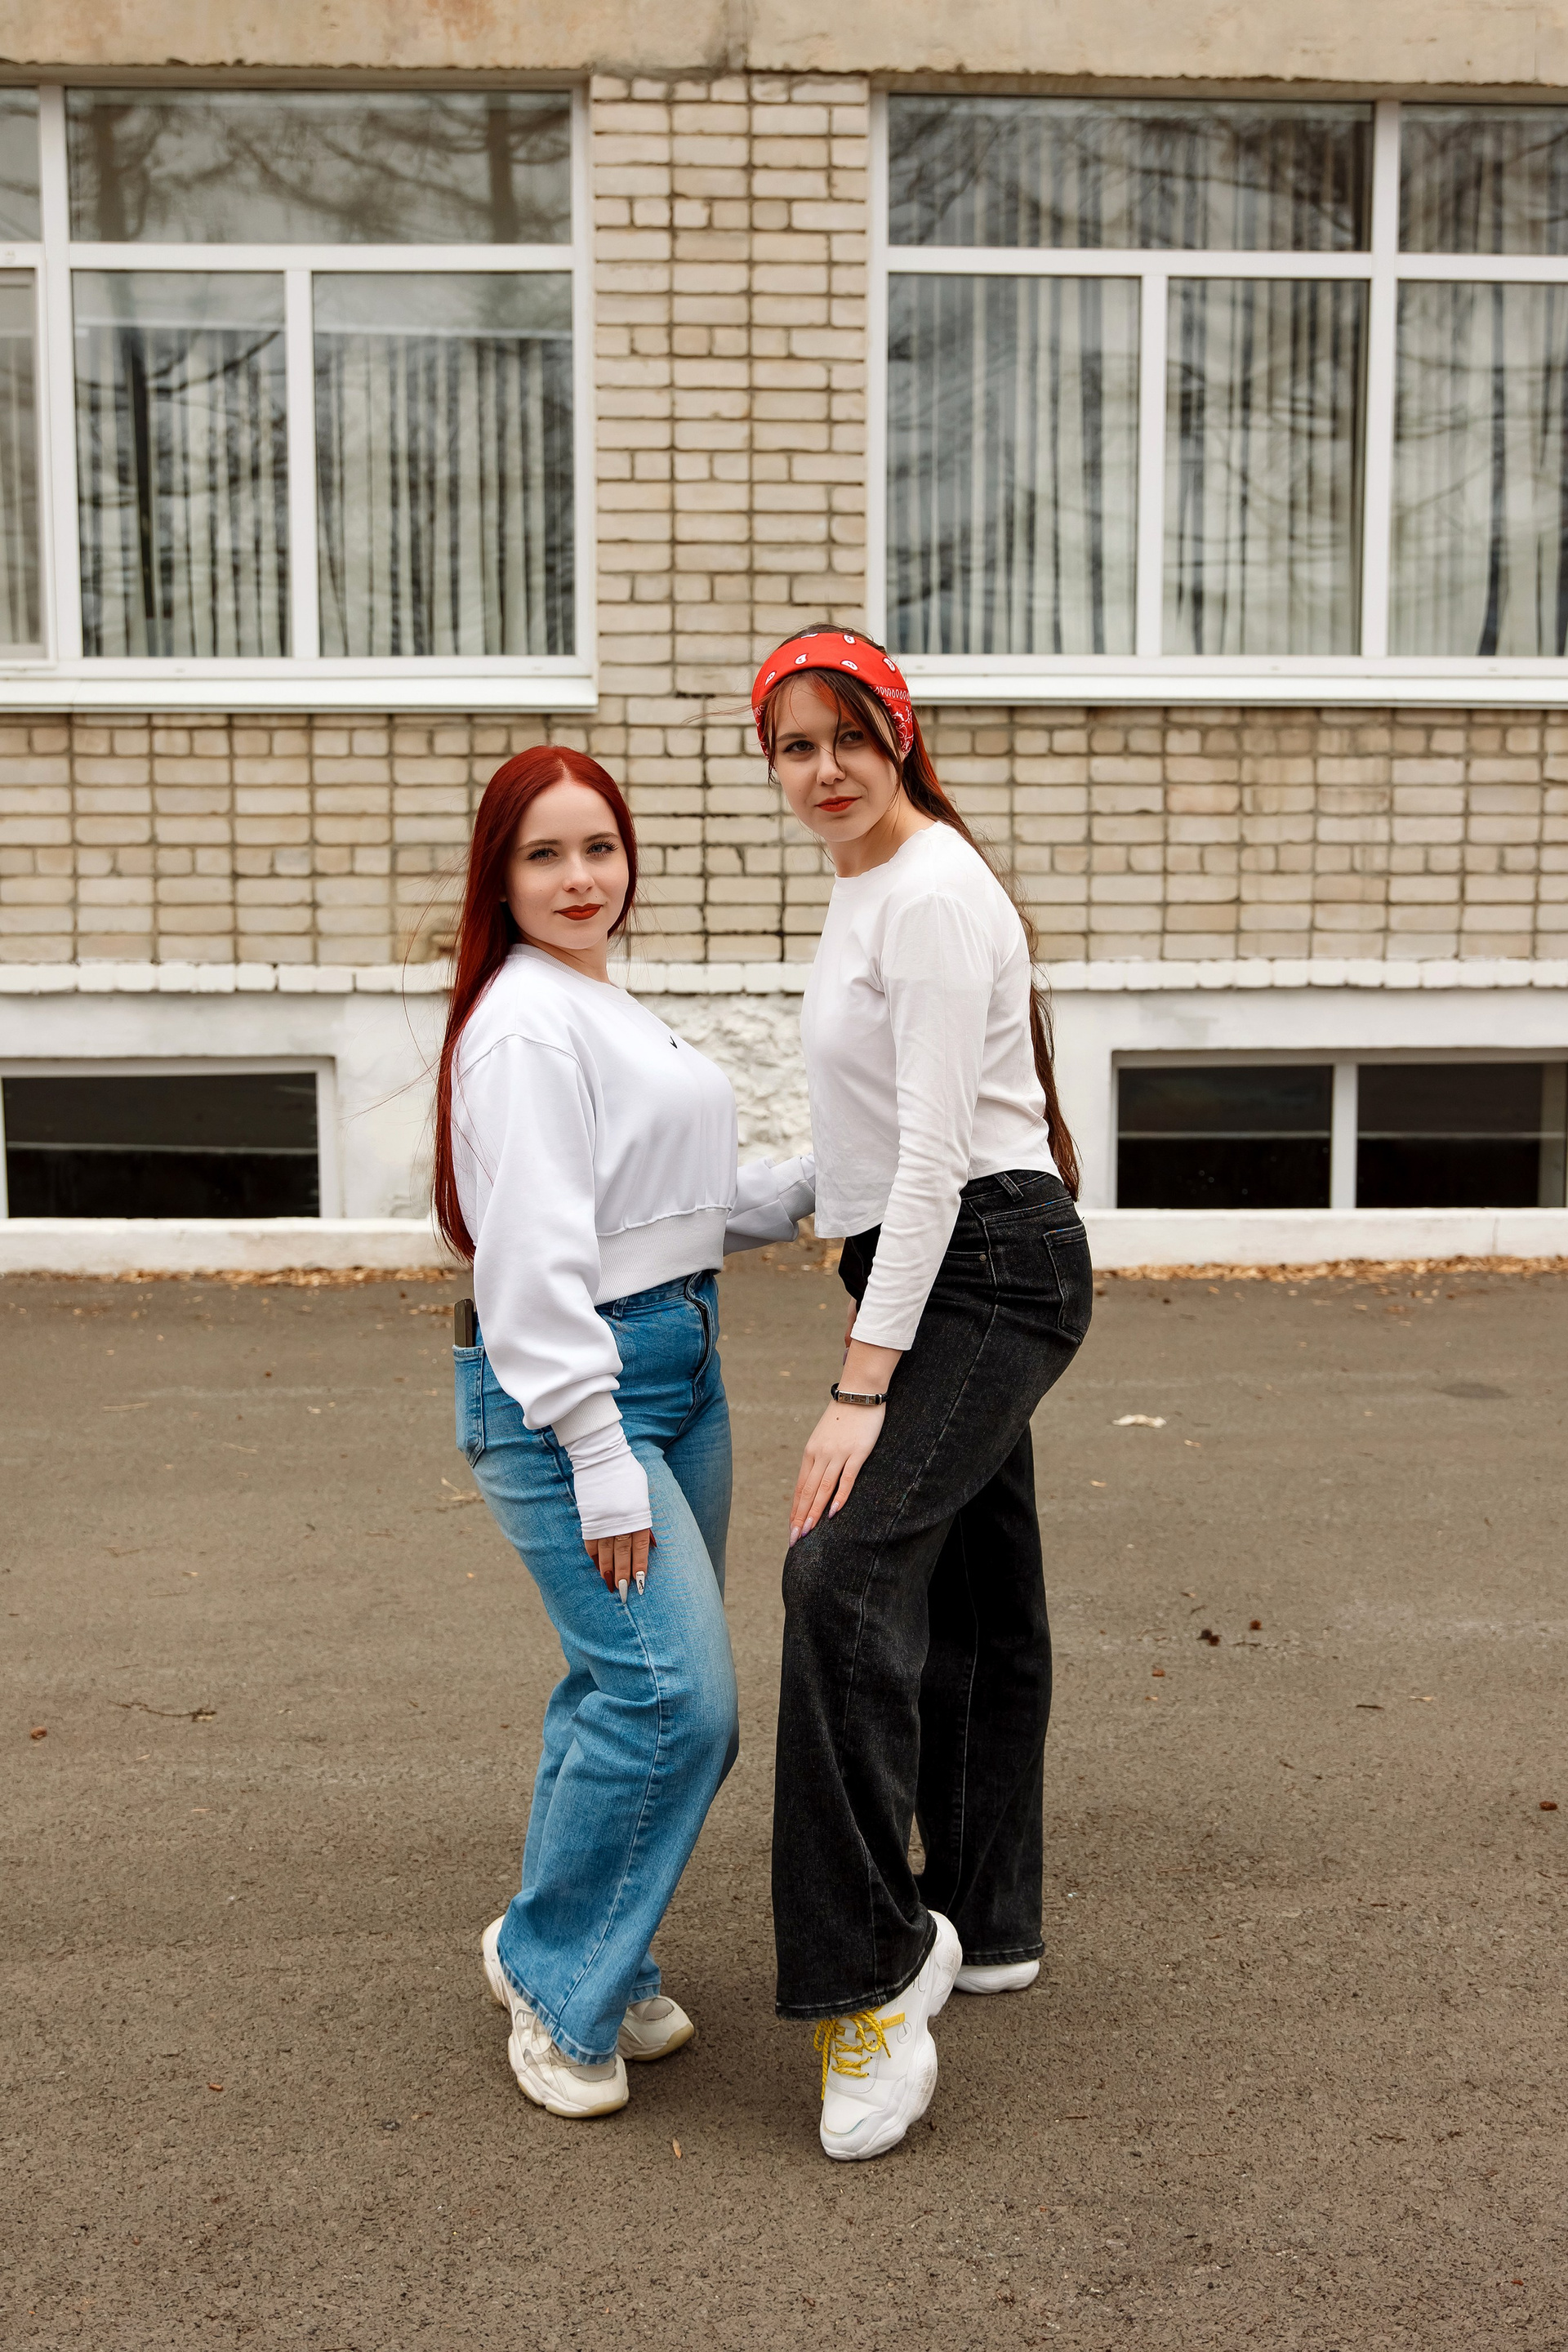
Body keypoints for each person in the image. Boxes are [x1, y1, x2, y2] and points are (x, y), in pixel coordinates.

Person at [431, 745, 813, 2120]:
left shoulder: (599, 1002)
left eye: (599, 847)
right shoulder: (526, 1025)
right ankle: (557, 1980)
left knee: (621, 1688)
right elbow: (533, 1260)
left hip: (677, 1361)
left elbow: (660, 1210)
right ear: (500, 877)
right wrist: (596, 1451)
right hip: (573, 1394)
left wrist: (811, 1184)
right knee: (674, 1701)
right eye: (544, 854)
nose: (580, 877)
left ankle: (582, 1943)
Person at [753, 630, 1092, 2162]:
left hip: (988, 1264)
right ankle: (986, 1915)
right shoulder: (867, 887)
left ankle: (873, 1977)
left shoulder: (934, 891)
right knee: (981, 1592)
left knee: (839, 1573)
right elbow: (869, 1139)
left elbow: (940, 1161)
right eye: (793, 745)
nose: (823, 770)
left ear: (899, 736)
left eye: (849, 737)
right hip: (941, 1254)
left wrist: (858, 1383)